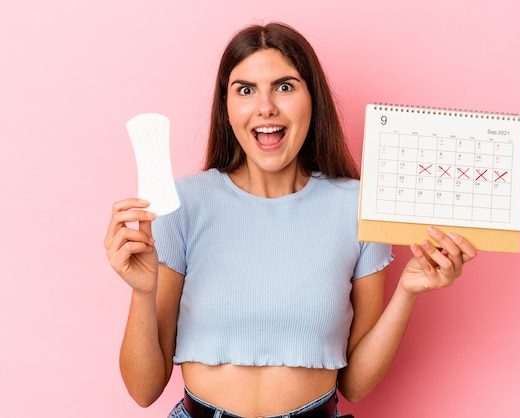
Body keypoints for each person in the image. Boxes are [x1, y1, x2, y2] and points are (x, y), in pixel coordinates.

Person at [104, 22, 477, 418]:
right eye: (245, 90)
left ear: (311, 98)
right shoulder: (182, 204)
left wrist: (407, 291)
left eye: (284, 86)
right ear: (226, 106)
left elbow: (355, 385)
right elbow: (144, 391)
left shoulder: (359, 206)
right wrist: (143, 292)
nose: (265, 106)